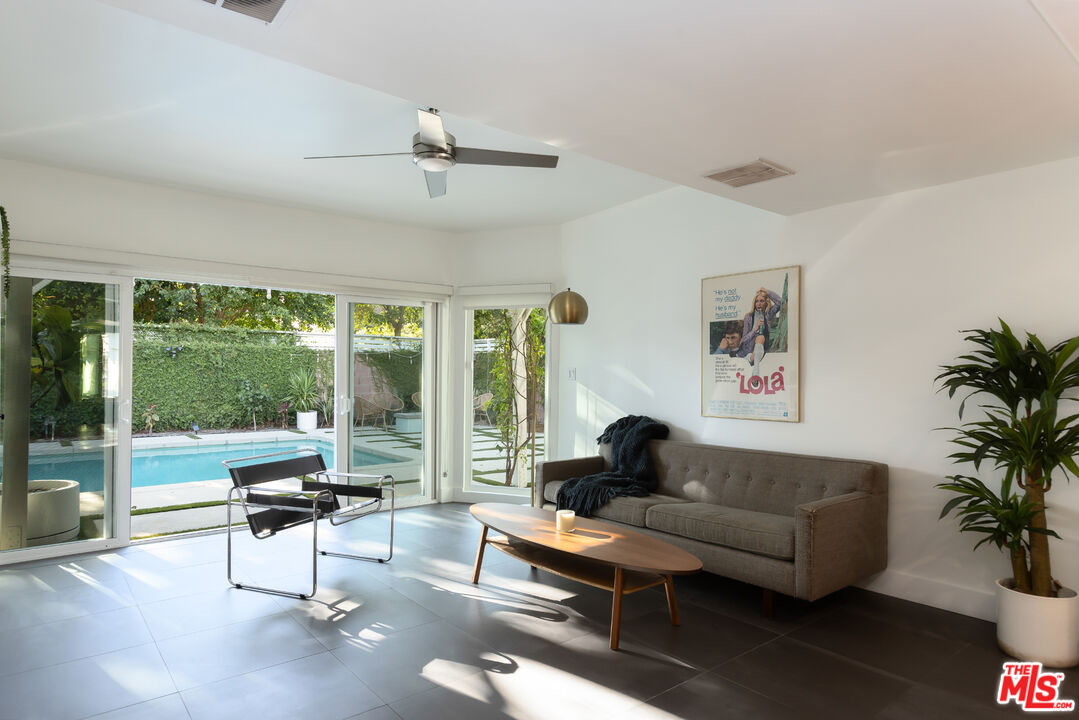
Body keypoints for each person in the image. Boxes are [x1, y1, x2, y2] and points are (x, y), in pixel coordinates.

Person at [734, 287, 782, 376]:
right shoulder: (748, 317)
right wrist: (754, 330)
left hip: (761, 345)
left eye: (761, 301)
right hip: (748, 349)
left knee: (761, 337)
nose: (759, 304)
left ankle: (755, 372)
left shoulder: (768, 315)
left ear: (766, 303)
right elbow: (743, 340)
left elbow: (780, 302)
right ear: (754, 303)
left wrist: (767, 291)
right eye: (757, 301)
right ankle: (754, 366)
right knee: (759, 338)